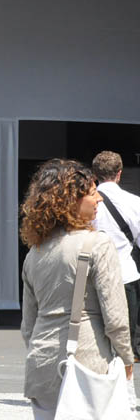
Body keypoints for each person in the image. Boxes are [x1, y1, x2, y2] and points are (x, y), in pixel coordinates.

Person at [20, 159, 132, 419]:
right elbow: (115, 318)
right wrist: (126, 358)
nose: (99, 199)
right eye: (92, 193)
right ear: (71, 201)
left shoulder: (34, 253)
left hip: (42, 364)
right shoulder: (98, 244)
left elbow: (28, 326)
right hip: (88, 361)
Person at [91, 150, 140, 360]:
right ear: (119, 173)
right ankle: (123, 377)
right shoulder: (134, 202)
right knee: (124, 339)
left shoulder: (83, 203)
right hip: (125, 275)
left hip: (91, 277)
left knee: (94, 337)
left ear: (94, 174)